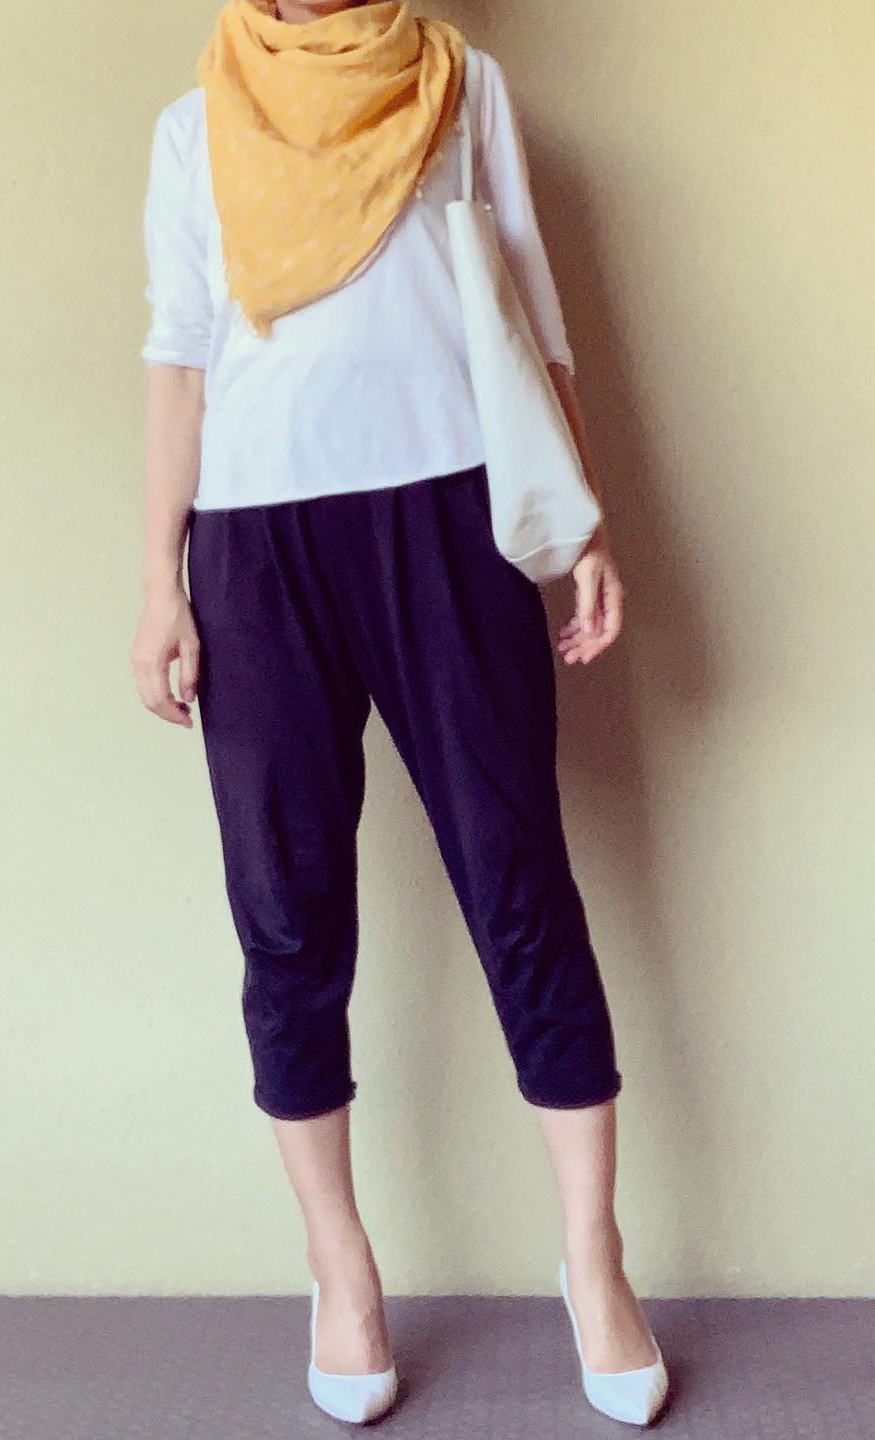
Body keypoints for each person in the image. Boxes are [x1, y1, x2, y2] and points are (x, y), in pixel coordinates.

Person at [132, 0, 667, 1426]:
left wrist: (581, 524)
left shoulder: (457, 83)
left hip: (450, 521)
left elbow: (531, 310)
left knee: (519, 881)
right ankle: (342, 1271)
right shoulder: (193, 128)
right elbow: (180, 356)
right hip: (254, 548)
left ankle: (595, 1262)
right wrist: (158, 583)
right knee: (286, 911)